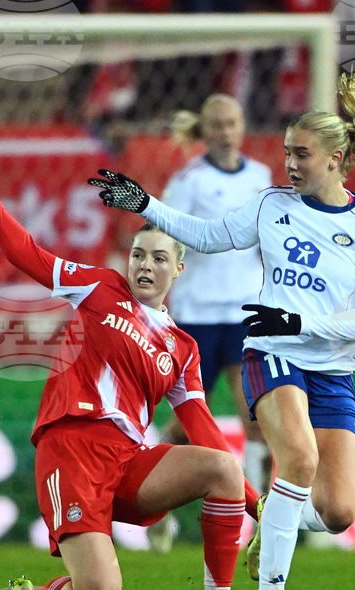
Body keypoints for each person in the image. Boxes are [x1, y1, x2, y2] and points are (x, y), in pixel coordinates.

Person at [88, 69, 355, 590]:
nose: (290, 164)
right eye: (286, 152)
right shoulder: (271, 204)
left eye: (301, 153)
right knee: (297, 458)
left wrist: (301, 318)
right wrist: (145, 203)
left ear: (335, 157)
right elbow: (206, 237)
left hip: (331, 369)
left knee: (337, 512)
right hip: (272, 350)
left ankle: (272, 517)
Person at [0, 129, 260, 590]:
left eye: (159, 258)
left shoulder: (182, 349)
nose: (146, 266)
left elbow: (204, 429)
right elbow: (26, 254)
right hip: (73, 449)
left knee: (223, 468)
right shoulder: (98, 288)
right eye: (139, 255)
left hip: (127, 461)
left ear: (180, 268)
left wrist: (256, 505)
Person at [147, 96, 273, 555]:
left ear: (243, 126)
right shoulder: (189, 182)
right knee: (186, 427)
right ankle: (154, 511)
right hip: (198, 314)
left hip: (245, 315)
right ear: (205, 130)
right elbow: (165, 236)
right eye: (217, 124)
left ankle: (258, 527)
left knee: (256, 419)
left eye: (233, 123)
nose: (226, 132)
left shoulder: (261, 178)